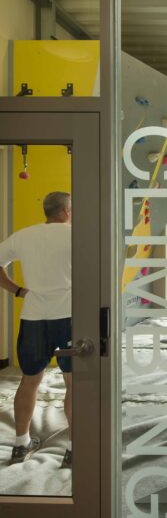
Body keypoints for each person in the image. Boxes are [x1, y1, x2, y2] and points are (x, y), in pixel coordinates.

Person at [0, 192, 73, 468]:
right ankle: (74, 449)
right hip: (68, 317)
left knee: (29, 381)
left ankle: (21, 444)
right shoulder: (76, 235)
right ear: (66, 211)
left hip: (33, 319)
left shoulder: (24, 236)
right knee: (73, 383)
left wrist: (18, 290)